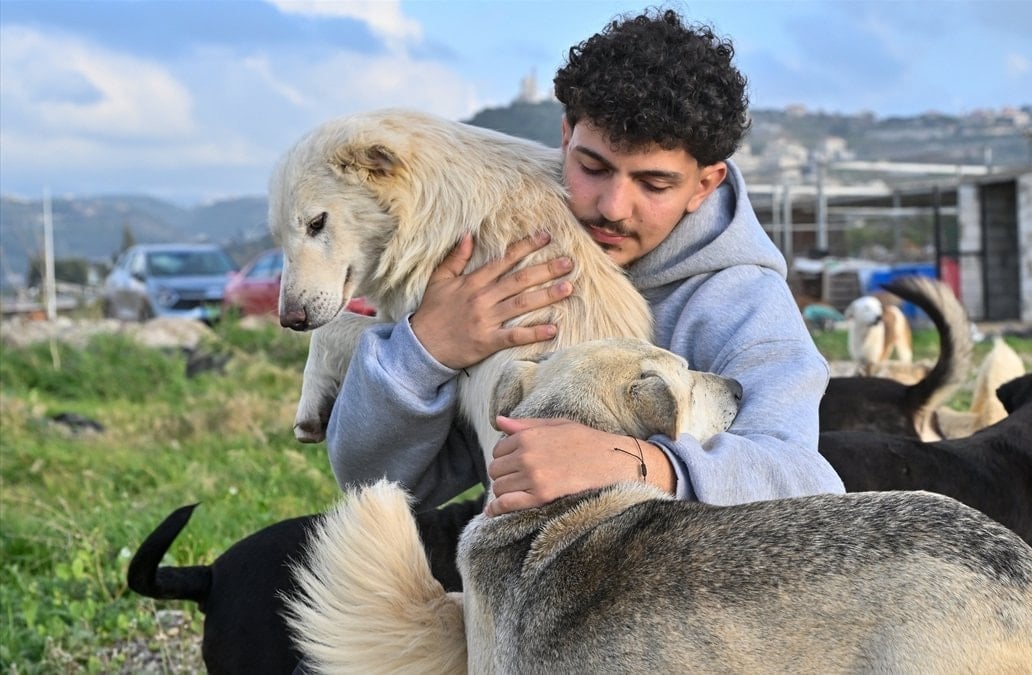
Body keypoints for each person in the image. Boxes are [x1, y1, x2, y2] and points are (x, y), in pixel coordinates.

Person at [325, 8, 845, 520]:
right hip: (517, 560)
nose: (612, 207)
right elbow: (379, 487)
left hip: (659, 585)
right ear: (566, 134)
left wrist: (632, 464)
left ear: (705, 184)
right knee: (278, 557)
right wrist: (426, 350)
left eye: (654, 183)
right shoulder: (509, 262)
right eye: (592, 167)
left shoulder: (744, 304)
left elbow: (805, 482)